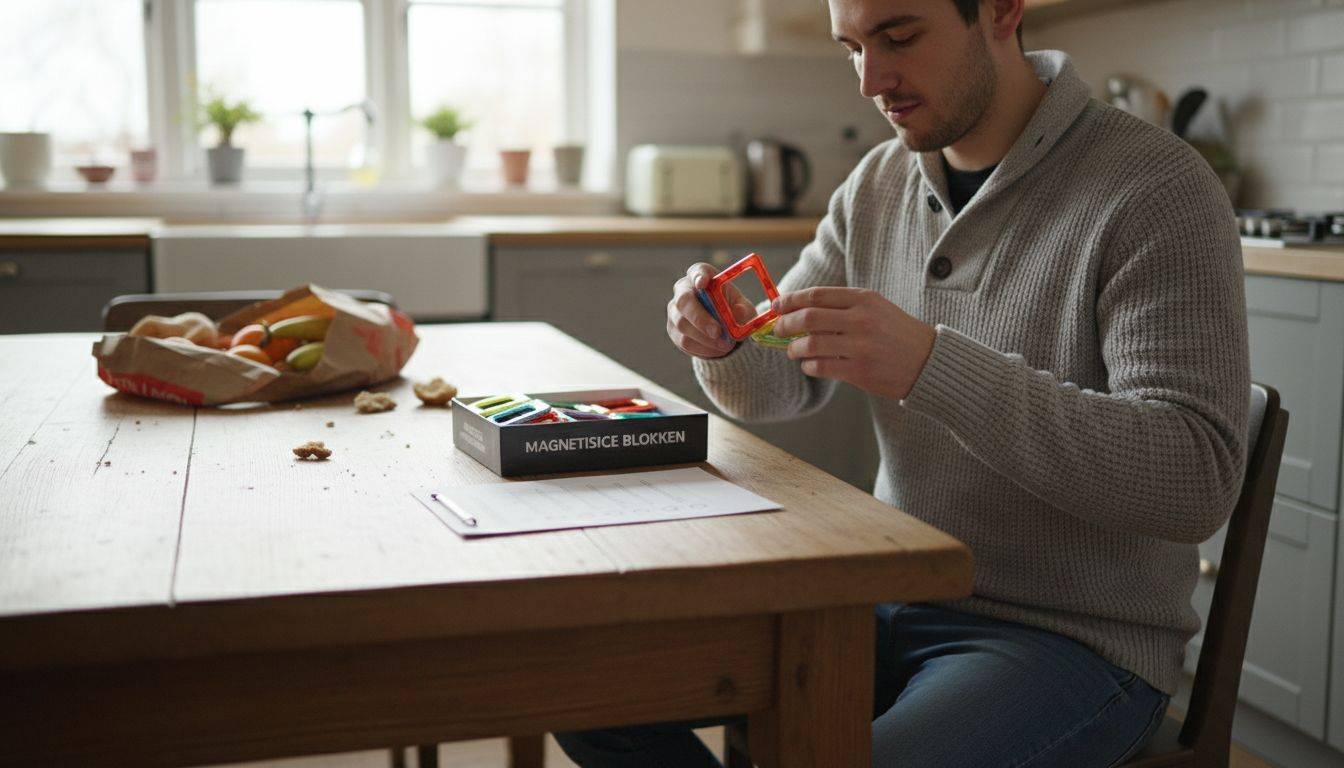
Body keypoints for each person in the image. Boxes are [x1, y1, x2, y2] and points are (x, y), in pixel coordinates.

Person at [557, 0, 1249, 764]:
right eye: (851, 47)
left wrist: (931, 365)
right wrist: (722, 344)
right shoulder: (878, 182)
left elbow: (1193, 477)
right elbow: (780, 383)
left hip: (1071, 641)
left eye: (899, 36)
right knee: (583, 681)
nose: (870, 80)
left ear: (1002, 10)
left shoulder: (1156, 187)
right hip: (882, 593)